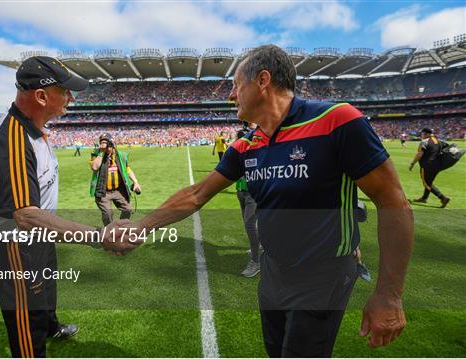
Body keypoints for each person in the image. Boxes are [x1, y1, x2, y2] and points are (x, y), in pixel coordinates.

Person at [111, 45, 413, 357]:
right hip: (273, 272)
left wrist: (389, 295)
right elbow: (197, 194)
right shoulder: (246, 145)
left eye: (235, 85)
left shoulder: (337, 121)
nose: (231, 95)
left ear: (263, 80)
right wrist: (142, 226)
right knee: (275, 351)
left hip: (323, 276)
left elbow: (394, 203)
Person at [0, 56, 141, 358]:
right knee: (27, 319)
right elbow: (25, 214)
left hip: (39, 237)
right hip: (17, 245)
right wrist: (97, 236)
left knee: (46, 290)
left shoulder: (34, 128)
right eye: (64, 91)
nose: (71, 97)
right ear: (41, 96)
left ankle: (50, 325)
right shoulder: (13, 137)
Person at [90, 133, 141, 226]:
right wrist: (102, 152)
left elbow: (127, 169)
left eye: (106, 143)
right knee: (108, 214)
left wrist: (135, 182)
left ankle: (119, 227)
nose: (104, 146)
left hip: (118, 190)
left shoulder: (120, 155)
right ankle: (109, 231)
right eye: (101, 143)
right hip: (103, 192)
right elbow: (94, 167)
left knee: (128, 210)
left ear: (112, 143)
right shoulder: (97, 154)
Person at [235, 127, 261, 278]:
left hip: (253, 193)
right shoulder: (238, 153)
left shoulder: (258, 152)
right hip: (241, 190)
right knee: (248, 222)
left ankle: (256, 262)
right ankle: (257, 247)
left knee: (250, 224)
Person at [409, 128, 450, 208]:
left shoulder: (424, 142)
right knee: (429, 181)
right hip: (437, 165)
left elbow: (419, 154)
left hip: (427, 165)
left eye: (422, 134)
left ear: (426, 134)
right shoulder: (439, 141)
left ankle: (443, 198)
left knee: (426, 183)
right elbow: (447, 147)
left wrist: (412, 163)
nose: (422, 135)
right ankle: (424, 198)